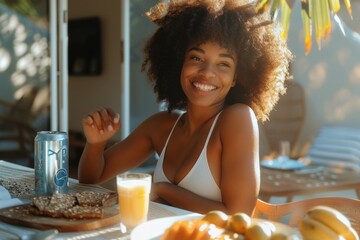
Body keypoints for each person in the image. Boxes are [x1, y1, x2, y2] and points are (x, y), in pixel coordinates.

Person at [78, 0, 292, 215]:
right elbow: (91, 178)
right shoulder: (161, 126)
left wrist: (164, 189)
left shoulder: (237, 119)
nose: (207, 72)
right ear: (179, 62)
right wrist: (96, 144)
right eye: (196, 57)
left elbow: (237, 214)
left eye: (223, 63)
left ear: (237, 77)